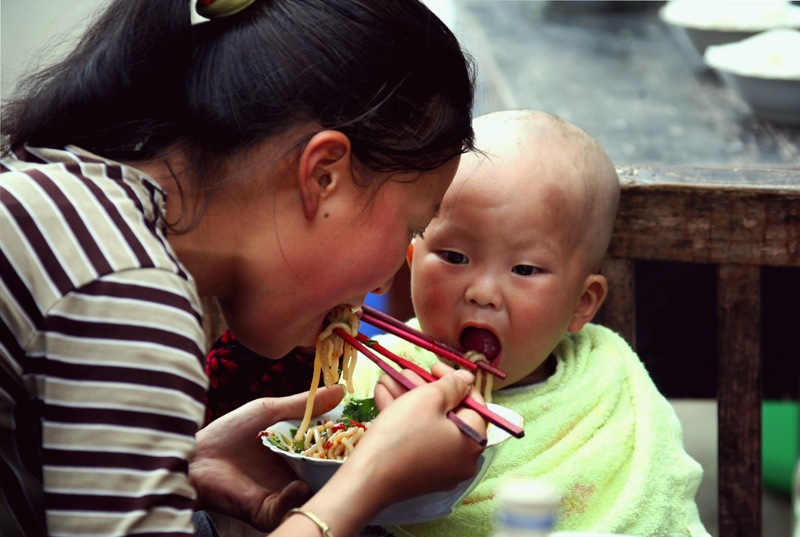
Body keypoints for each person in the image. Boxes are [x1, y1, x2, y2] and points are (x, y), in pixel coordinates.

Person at [0, 0, 489, 536]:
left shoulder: (65, 202)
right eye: (412, 230)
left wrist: (183, 463)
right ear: (324, 175)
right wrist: (369, 480)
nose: (383, 282)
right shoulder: (125, 285)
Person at [348, 110, 711, 537]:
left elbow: (664, 506)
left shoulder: (611, 387)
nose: (482, 292)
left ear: (583, 302)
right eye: (454, 257)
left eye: (523, 269)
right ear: (412, 262)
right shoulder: (377, 376)